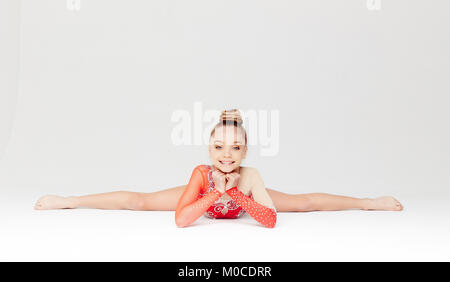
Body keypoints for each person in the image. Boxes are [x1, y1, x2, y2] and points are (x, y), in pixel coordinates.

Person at [34, 109, 403, 228]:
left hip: (240, 197)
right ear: (209, 149)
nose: (226, 155)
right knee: (141, 201)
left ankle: (368, 202)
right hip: (207, 196)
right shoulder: (201, 173)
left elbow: (271, 220)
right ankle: (71, 200)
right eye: (219, 147)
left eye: (235, 148)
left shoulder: (251, 176)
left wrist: (238, 193)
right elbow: (181, 221)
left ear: (244, 152)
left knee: (304, 203)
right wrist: (215, 191)